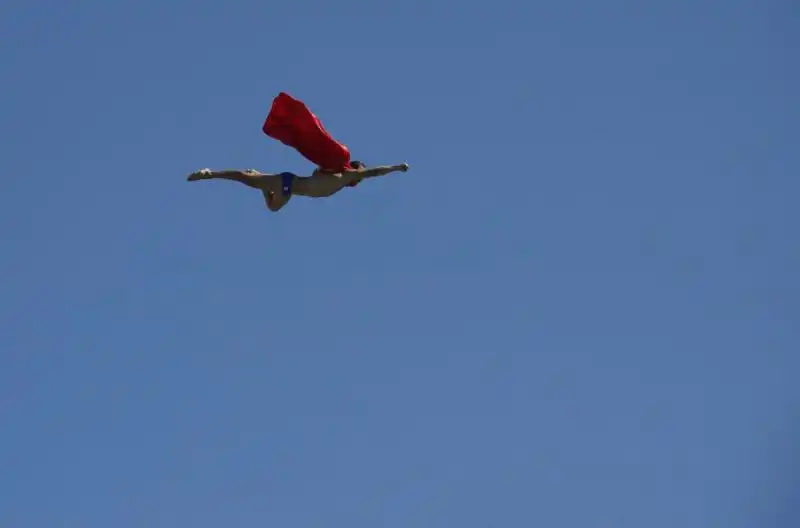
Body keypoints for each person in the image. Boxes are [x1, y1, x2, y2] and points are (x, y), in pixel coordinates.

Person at [186, 161, 410, 212]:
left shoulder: (333, 177)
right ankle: (209, 174)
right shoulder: (342, 177)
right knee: (247, 181)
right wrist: (397, 168)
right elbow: (374, 172)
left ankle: (211, 174)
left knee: (268, 202)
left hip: (288, 183)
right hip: (289, 186)